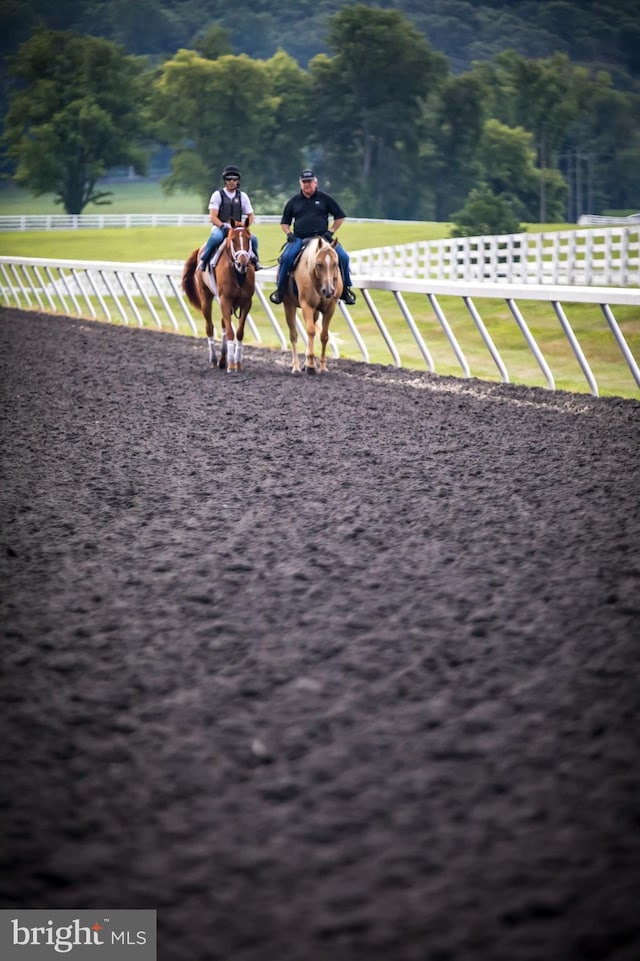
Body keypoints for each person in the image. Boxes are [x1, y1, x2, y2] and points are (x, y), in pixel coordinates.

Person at [269, 169, 356, 305]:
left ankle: (345, 289)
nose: (307, 185)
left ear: (315, 182)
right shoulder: (294, 201)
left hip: (323, 239)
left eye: (309, 182)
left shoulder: (325, 198)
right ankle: (280, 290)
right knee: (286, 258)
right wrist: (289, 234)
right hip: (300, 239)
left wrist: (331, 231)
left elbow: (340, 216)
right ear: (300, 184)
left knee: (343, 257)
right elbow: (285, 222)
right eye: (304, 182)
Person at [198, 164, 260, 271]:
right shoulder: (217, 195)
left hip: (237, 228)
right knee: (216, 238)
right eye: (229, 179)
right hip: (220, 226)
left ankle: (255, 260)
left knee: (253, 239)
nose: (232, 181)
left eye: (234, 179)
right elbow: (213, 217)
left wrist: (245, 227)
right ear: (225, 181)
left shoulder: (243, 196)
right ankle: (204, 259)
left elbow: (251, 215)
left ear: (238, 181)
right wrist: (222, 226)